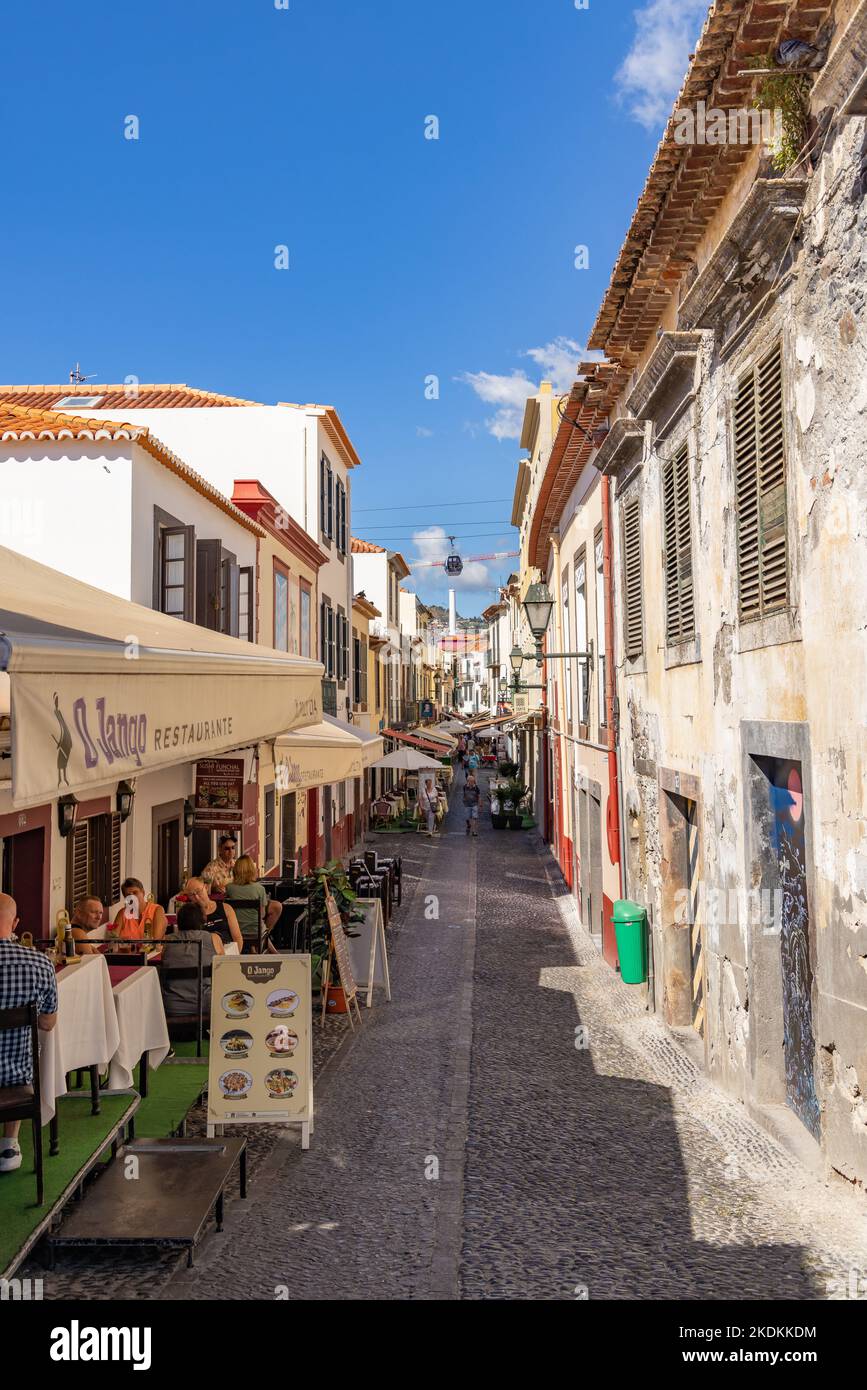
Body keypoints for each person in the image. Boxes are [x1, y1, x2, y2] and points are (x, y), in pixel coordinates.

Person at [0, 893, 58, 1174]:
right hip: (15, 1076)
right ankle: (9, 1143)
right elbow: (47, 1023)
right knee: (21, 1051)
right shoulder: (39, 963)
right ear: (15, 924)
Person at [160, 901, 223, 1022]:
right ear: (202, 920)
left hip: (173, 1005)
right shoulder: (214, 938)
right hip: (207, 1004)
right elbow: (223, 971)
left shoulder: (167, 941)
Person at [227, 855, 282, 951]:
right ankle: (267, 948)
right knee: (261, 925)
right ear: (251, 870)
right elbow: (263, 914)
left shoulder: (229, 888)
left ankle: (256, 948)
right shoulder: (259, 888)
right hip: (256, 931)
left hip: (236, 929)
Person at [180, 877, 243, 952]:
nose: (196, 897)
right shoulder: (189, 914)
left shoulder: (226, 908)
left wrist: (233, 958)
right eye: (191, 894)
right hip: (201, 955)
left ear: (206, 888)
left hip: (226, 952)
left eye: (198, 891)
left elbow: (237, 938)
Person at [111, 878, 166, 943]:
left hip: (151, 952)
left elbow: (156, 940)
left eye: (135, 893)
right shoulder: (122, 913)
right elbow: (112, 940)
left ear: (143, 892)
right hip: (127, 952)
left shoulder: (157, 910)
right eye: (128, 895)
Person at [463, 773, 482, 837]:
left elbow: (479, 796)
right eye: (470, 781)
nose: (472, 782)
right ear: (468, 781)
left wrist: (480, 803)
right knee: (467, 817)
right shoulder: (465, 786)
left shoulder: (476, 788)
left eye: (473, 781)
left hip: (474, 804)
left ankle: (474, 831)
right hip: (467, 804)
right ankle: (468, 824)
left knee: (474, 817)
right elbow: (464, 794)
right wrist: (464, 800)